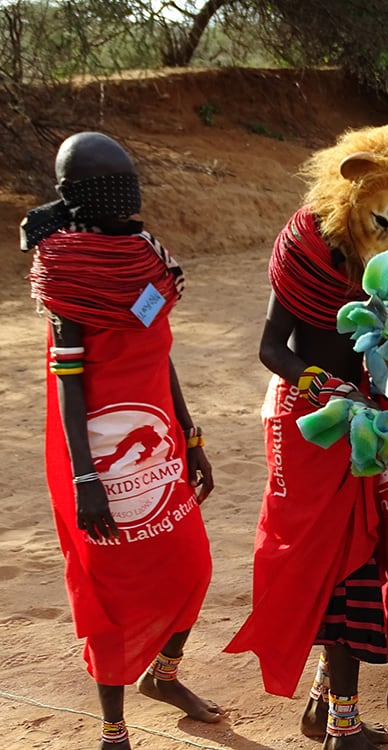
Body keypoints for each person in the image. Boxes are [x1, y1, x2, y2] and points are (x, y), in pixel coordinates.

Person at [223, 122, 388, 750]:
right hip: (312, 423)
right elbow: (273, 349)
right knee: (338, 561)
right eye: (387, 224)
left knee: (372, 551)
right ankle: (342, 727)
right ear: (353, 192)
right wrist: (327, 389)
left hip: (367, 421)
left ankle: (326, 708)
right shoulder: (305, 247)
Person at [22, 131, 219, 750]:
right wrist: (86, 480)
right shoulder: (66, 270)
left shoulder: (143, 253)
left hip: (157, 440)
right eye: (114, 183)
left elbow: (160, 355)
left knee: (193, 566)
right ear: (79, 194)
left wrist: (191, 436)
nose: (128, 195)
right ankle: (113, 727)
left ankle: (163, 676)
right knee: (107, 587)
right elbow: (68, 384)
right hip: (95, 454)